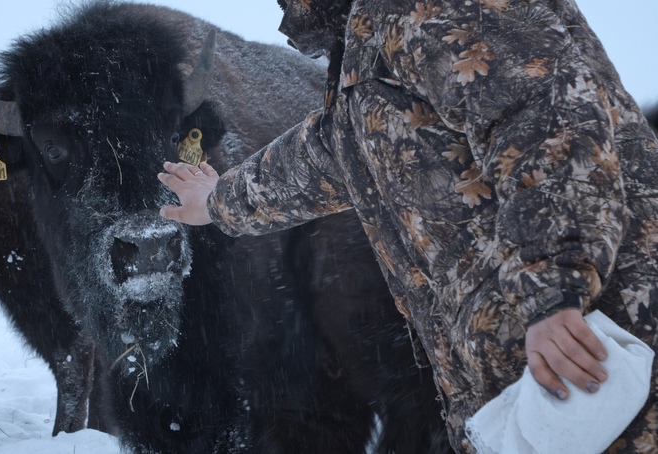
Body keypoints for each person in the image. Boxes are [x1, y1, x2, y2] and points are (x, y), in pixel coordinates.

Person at [158, 0, 658, 451]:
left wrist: (555, 287)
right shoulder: (369, 37)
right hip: (537, 379)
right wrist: (218, 202)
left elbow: (545, 117)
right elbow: (330, 154)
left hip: (605, 348)